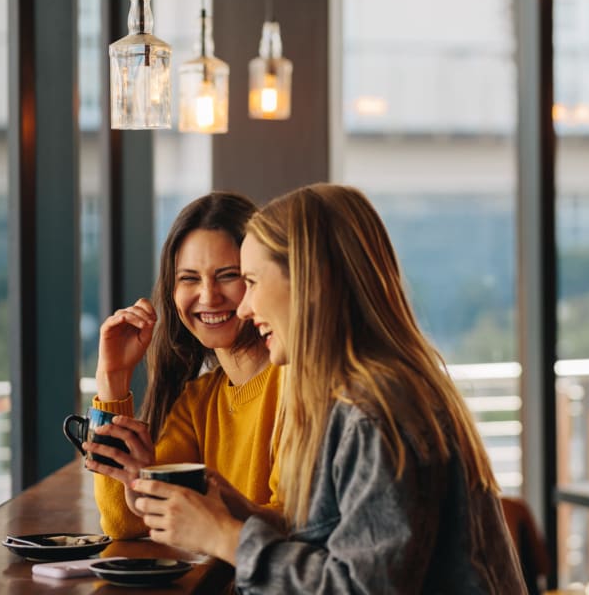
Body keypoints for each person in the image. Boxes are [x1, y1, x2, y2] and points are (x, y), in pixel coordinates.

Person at [130, 183, 527, 593]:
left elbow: (362, 587)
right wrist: (242, 512)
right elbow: (343, 537)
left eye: (250, 280)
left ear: (308, 282)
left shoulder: (374, 412)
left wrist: (223, 537)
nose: (244, 308)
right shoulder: (349, 397)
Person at [84, 191, 280, 540]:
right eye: (189, 278)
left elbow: (295, 526)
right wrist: (112, 381)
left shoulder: (295, 384)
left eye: (228, 275)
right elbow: (126, 523)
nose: (208, 296)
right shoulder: (198, 400)